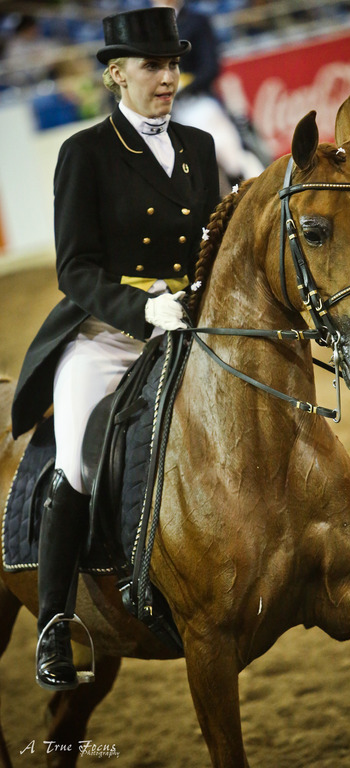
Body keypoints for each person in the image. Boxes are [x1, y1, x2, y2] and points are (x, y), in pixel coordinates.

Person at [11, 6, 219, 692]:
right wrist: (142, 307)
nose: (167, 77)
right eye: (153, 67)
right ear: (116, 74)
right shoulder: (85, 153)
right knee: (74, 461)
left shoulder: (198, 145)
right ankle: (51, 624)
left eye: (172, 64)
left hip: (183, 329)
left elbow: (209, 249)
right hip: (103, 336)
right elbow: (74, 269)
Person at [151, 0, 266, 188]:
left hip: (194, 102)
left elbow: (210, 67)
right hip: (159, 111)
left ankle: (257, 190)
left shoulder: (196, 21)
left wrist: (181, 89)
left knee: (230, 154)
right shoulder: (146, 27)